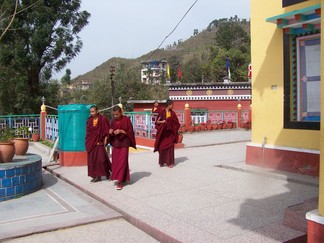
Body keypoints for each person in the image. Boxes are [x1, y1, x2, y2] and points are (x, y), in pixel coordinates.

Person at [109, 105, 136, 190]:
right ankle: (122, 177)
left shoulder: (126, 120)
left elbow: (130, 132)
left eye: (117, 114)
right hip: (116, 144)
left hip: (124, 143)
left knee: (122, 162)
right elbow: (111, 131)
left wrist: (121, 131)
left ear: (121, 112)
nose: (115, 116)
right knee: (116, 162)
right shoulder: (113, 121)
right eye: (114, 115)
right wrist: (110, 132)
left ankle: (120, 182)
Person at [85, 105, 111, 183]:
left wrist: (106, 138)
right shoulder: (89, 120)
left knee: (102, 159)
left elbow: (107, 129)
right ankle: (97, 176)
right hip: (91, 142)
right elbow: (88, 132)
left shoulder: (103, 119)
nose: (91, 113)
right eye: (90, 112)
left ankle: (107, 173)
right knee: (92, 160)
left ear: (97, 111)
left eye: (93, 111)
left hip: (100, 142)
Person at [154, 99, 180, 168]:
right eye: (172, 105)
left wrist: (170, 121)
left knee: (170, 148)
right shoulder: (162, 112)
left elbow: (177, 123)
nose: (173, 106)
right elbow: (157, 122)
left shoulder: (173, 113)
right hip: (163, 134)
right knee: (162, 148)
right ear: (169, 105)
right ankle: (162, 161)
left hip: (170, 134)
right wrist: (163, 122)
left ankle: (170, 162)